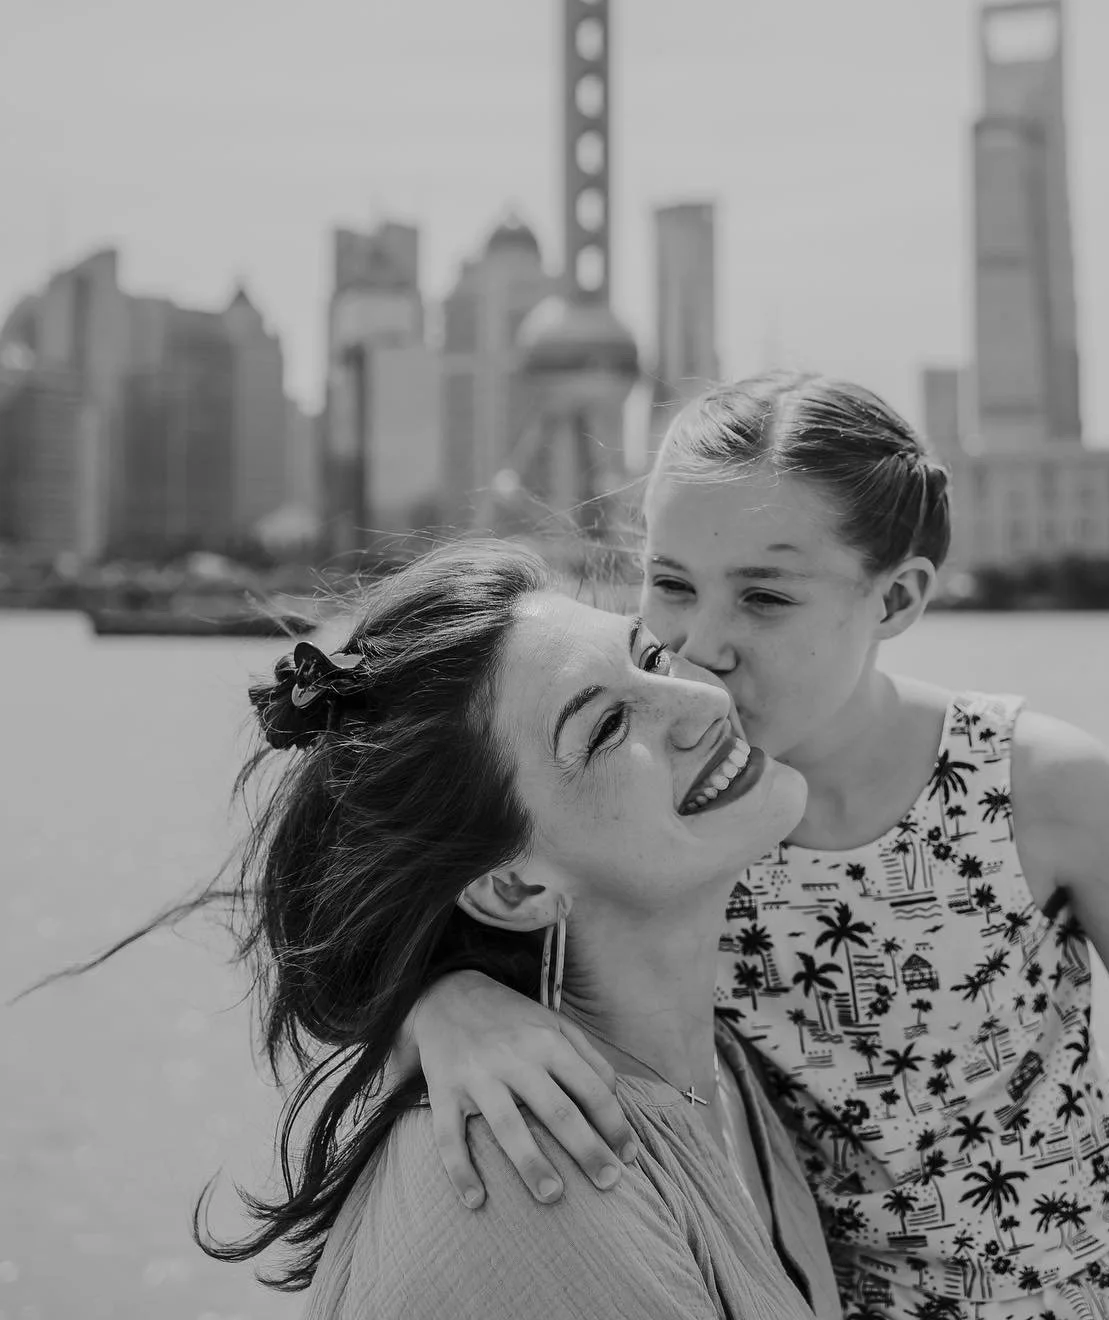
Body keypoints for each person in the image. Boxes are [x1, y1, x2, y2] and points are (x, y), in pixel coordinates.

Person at [406, 374, 1109, 1320]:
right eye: (671, 584)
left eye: (767, 597)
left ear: (898, 597)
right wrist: (442, 1003)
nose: (703, 645)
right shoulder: (655, 819)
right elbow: (403, 903)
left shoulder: (1033, 784)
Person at [96, 545, 844, 1318]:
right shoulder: (528, 1173)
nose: (704, 703)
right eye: (609, 727)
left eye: (650, 654)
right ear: (514, 887)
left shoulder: (725, 1070)